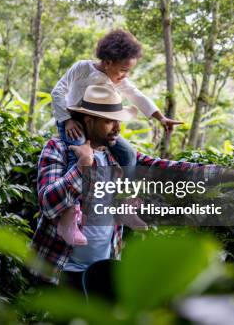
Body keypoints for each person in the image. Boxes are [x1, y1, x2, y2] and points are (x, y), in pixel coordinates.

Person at [31, 84, 221, 288]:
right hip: (59, 269)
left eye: (118, 121)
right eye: (109, 121)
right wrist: (82, 165)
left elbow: (164, 168)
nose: (117, 128)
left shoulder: (117, 155)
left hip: (101, 270)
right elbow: (48, 205)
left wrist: (225, 174)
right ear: (89, 120)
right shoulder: (59, 148)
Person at [51, 29, 183, 245]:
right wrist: (66, 119)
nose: (125, 76)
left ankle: (125, 205)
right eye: (123, 70)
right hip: (73, 122)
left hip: (99, 126)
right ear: (108, 62)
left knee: (128, 154)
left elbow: (136, 95)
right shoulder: (82, 68)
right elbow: (58, 91)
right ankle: (67, 219)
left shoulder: (117, 79)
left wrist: (161, 117)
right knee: (79, 159)